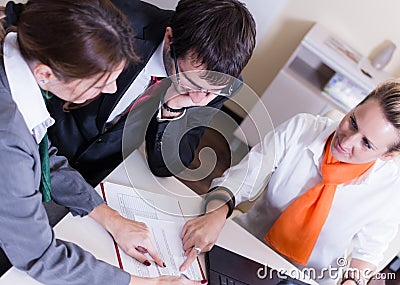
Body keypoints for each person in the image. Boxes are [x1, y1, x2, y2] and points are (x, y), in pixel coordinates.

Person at [0, 0, 206, 284]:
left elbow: (41, 152)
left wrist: (111, 218)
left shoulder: (13, 68)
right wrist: (143, 283)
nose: (111, 89)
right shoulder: (8, 136)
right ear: (45, 74)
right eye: (99, 83)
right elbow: (40, 256)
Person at [2, 0, 256, 186]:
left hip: (93, 179)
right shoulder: (117, 20)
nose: (200, 98)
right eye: (189, 81)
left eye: (209, 90)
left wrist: (173, 110)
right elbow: (29, 21)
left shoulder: (220, 82)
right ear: (170, 38)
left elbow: (169, 164)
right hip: (34, 144)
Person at [180, 81, 400, 284]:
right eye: (353, 121)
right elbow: (241, 180)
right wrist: (215, 214)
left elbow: (367, 255)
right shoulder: (302, 128)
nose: (347, 140)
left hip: (306, 279)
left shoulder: (390, 189)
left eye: (367, 144)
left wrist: (352, 282)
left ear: (387, 155)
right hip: (246, 248)